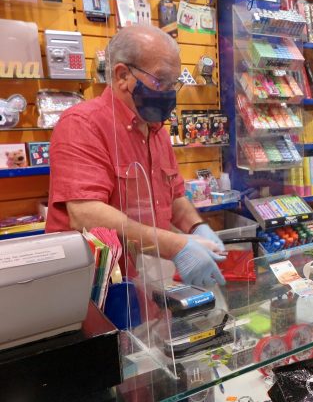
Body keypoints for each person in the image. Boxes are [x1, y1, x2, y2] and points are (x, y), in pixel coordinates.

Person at [47, 25, 226, 287]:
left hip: (145, 282)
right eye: (161, 81)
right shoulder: (82, 124)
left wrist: (197, 227)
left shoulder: (157, 131)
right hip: (95, 287)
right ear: (122, 76)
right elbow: (86, 213)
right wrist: (177, 246)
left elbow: (174, 196)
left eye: (173, 84)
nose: (169, 93)